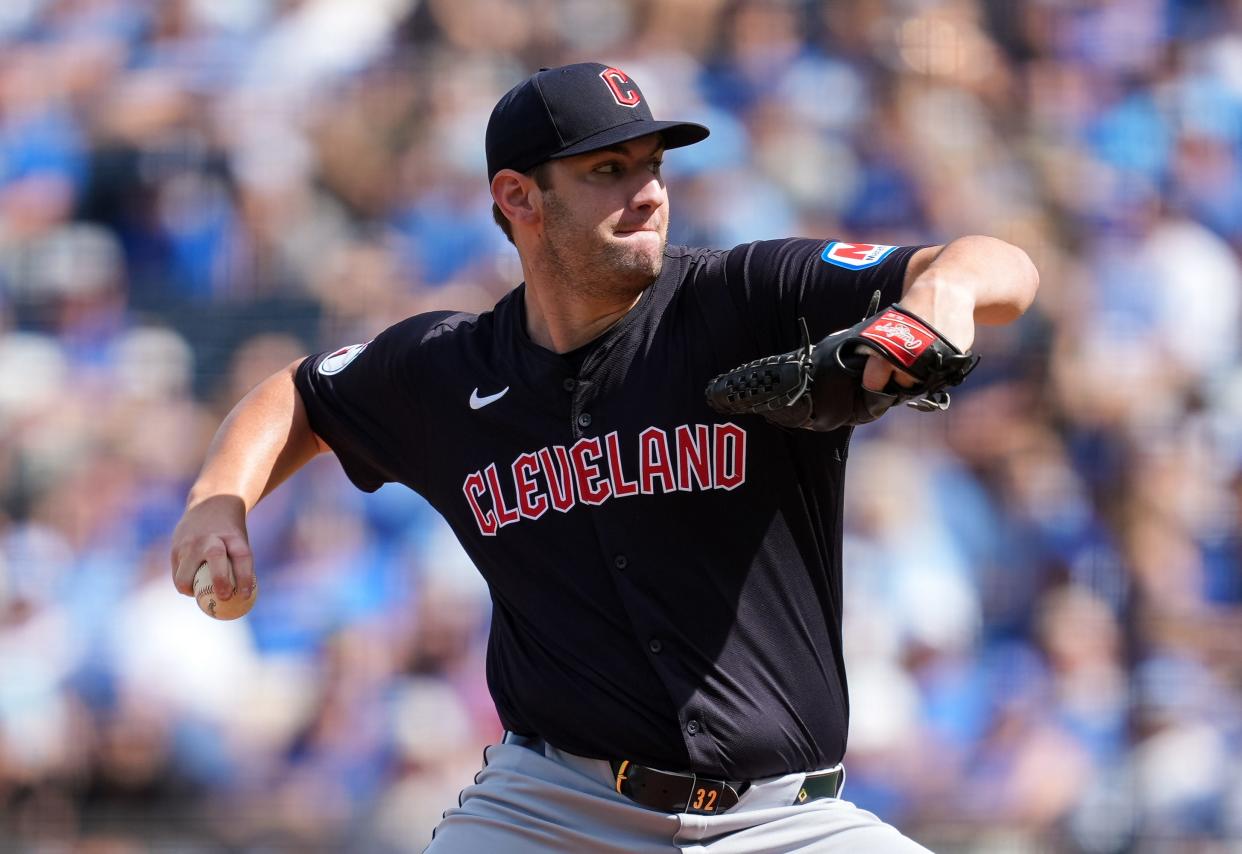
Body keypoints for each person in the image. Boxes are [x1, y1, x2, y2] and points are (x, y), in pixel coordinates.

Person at [170, 62, 1038, 852]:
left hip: (783, 821)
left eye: (654, 166)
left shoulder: (744, 298)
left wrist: (935, 307)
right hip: (551, 809)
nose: (649, 193)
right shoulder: (450, 369)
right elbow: (301, 396)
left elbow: (993, 264)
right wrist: (219, 498)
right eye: (608, 172)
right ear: (518, 197)